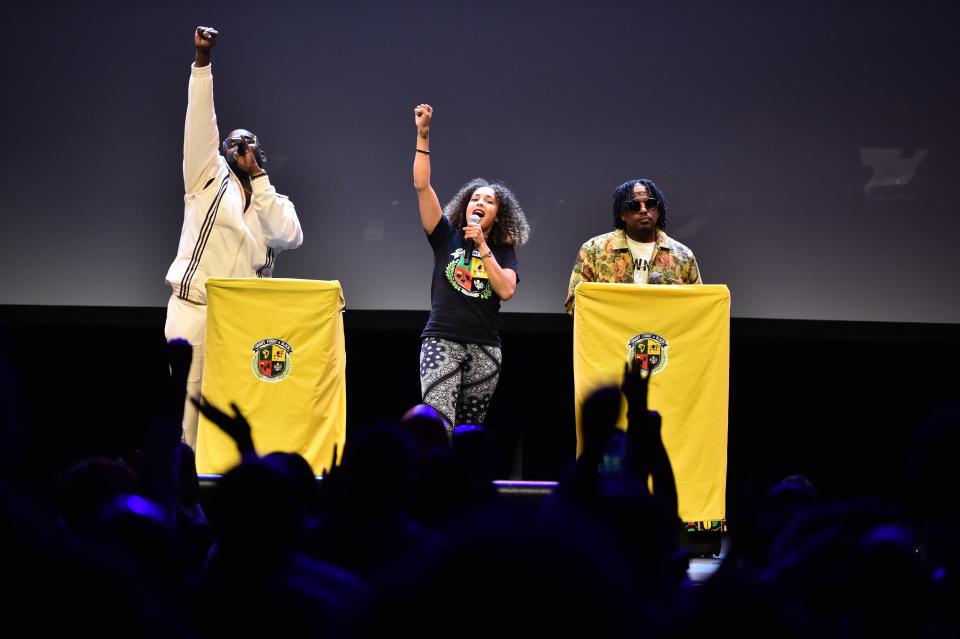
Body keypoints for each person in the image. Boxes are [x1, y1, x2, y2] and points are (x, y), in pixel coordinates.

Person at [164, 26, 303, 448]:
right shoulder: (206, 178)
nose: (240, 147)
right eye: (232, 143)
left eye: (250, 145)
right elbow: (200, 123)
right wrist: (202, 62)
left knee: (237, 414)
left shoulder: (271, 200)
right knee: (187, 413)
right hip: (196, 310)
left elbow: (289, 236)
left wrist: (260, 179)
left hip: (243, 321)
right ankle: (182, 496)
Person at [412, 104, 530, 431]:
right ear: (465, 206)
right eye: (475, 199)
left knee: (468, 432)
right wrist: (423, 135)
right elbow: (423, 187)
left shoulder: (502, 250)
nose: (479, 203)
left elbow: (506, 290)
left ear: (498, 215)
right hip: (442, 340)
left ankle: (461, 482)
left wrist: (482, 246)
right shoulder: (444, 236)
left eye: (488, 201)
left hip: (486, 347)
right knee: (438, 424)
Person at [564, 179, 700, 314]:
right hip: (613, 333)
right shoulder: (593, 250)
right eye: (634, 206)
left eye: (650, 204)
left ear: (658, 211)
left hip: (663, 333)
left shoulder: (683, 255)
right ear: (622, 213)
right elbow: (574, 304)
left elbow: (698, 305)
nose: (643, 210)